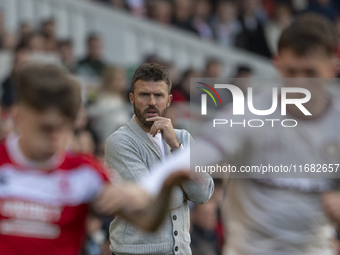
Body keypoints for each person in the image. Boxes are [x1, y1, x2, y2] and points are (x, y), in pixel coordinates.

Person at [140, 13, 340, 254]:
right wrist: (144, 188)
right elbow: (197, 154)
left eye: (310, 73)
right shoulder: (249, 113)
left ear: (332, 66)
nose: (300, 84)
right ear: (277, 63)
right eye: (291, 71)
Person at [0, 63, 190, 255]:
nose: (56, 137)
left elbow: (148, 221)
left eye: (64, 127)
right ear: (18, 117)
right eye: (46, 128)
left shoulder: (85, 171)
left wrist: (169, 180)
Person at [105, 63, 214, 255]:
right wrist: (185, 189)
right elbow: (149, 200)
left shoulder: (183, 139)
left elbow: (204, 193)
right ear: (131, 98)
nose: (152, 102)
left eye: (158, 95)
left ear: (169, 99)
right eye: (144, 95)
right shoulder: (119, 142)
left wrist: (176, 148)